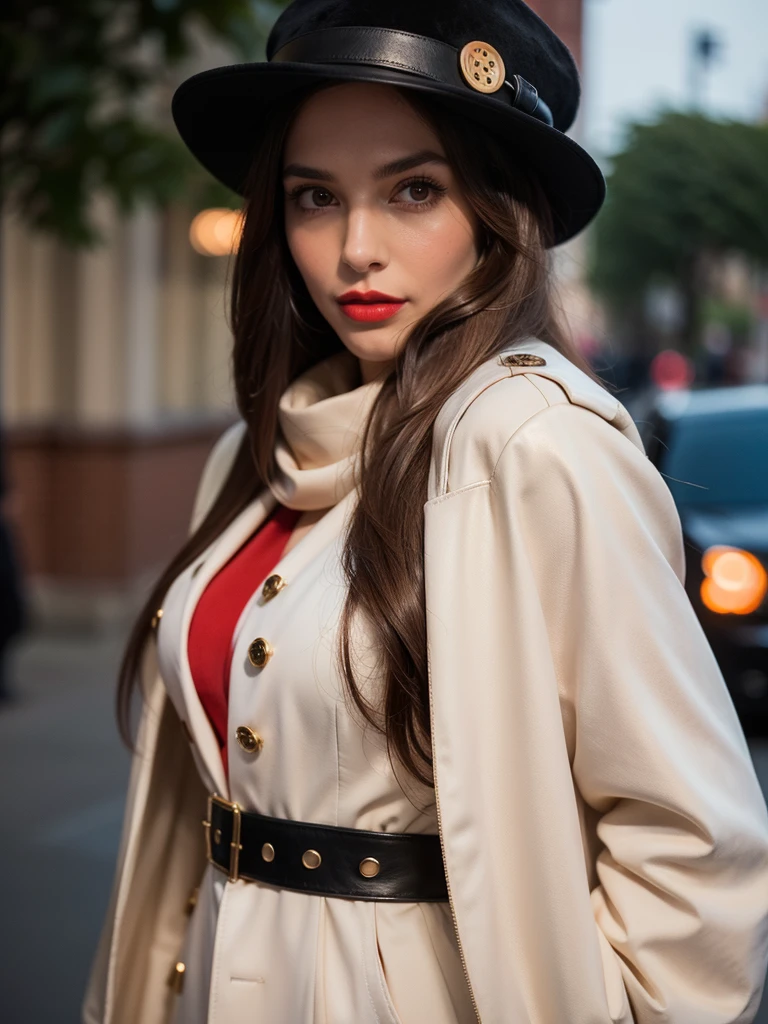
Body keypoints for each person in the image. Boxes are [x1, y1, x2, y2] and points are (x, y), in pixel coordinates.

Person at [83, 2, 768, 1023]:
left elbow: (696, 846)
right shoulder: (252, 452)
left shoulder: (532, 441)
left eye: (414, 189)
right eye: (315, 197)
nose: (356, 248)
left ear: (498, 212)